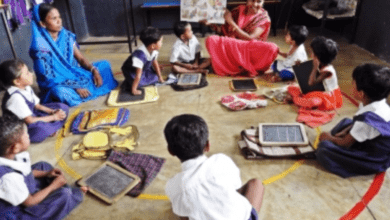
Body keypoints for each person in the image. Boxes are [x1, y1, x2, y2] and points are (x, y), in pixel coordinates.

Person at [164, 114, 264, 220]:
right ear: (207, 145)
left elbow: (183, 214)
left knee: (182, 206)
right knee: (256, 183)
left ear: (170, 151)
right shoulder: (221, 160)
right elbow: (236, 186)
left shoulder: (173, 185)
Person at [0, 115, 88, 219]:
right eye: (27, 135)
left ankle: (60, 188)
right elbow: (30, 202)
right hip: (18, 213)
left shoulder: (10, 154)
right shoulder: (8, 178)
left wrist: (46, 173)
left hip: (19, 190)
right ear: (15, 147)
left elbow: (23, 172)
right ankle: (69, 194)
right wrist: (53, 187)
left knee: (43, 166)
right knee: (64, 195)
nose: (29, 136)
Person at [29, 3, 118, 107]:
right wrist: (75, 86)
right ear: (43, 24)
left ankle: (85, 91)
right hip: (57, 83)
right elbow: (47, 78)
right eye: (54, 19)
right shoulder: (40, 47)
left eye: (59, 17)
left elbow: (80, 59)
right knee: (59, 92)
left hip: (74, 73)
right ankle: (79, 93)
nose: (59, 21)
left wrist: (94, 70)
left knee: (104, 65)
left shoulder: (66, 36)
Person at [316, 64, 390, 178]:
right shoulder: (377, 104)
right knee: (346, 122)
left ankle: (339, 152)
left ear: (361, 94)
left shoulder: (366, 121)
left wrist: (330, 138)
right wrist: (345, 132)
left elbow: (346, 143)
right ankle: (337, 141)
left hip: (373, 159)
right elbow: (357, 124)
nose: (351, 85)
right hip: (371, 141)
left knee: (324, 149)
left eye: (353, 83)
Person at [0, 59, 68, 143]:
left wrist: (52, 111)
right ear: (17, 81)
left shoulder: (26, 87)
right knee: (40, 130)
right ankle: (51, 127)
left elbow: (37, 106)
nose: (31, 74)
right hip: (22, 127)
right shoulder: (15, 98)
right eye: (27, 73)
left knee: (63, 107)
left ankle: (51, 126)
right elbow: (30, 121)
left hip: (32, 114)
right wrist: (54, 117)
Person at [287, 36, 342, 110]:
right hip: (317, 90)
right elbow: (307, 73)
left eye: (313, 53)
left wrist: (315, 68)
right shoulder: (322, 63)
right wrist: (300, 65)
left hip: (327, 97)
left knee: (314, 101)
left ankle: (294, 100)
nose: (311, 55)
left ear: (319, 57)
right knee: (291, 87)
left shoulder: (327, 71)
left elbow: (311, 83)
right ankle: (299, 99)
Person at [205, 35, 279, 77]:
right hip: (240, 43)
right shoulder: (239, 11)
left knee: (270, 49)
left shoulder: (262, 19)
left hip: (244, 44)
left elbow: (251, 36)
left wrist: (233, 25)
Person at [121, 26, 165, 95]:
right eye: (161, 42)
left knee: (155, 78)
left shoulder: (154, 51)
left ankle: (132, 82)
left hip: (143, 68)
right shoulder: (139, 55)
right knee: (139, 84)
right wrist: (134, 90)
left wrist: (160, 77)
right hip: (131, 71)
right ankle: (128, 84)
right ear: (153, 46)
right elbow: (138, 74)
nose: (162, 44)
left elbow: (154, 62)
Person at [201, 0, 271, 41]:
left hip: (251, 51)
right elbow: (224, 32)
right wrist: (210, 24)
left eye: (259, 1)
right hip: (234, 46)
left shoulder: (264, 18)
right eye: (252, 0)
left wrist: (231, 22)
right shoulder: (238, 10)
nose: (255, 4)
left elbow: (250, 38)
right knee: (211, 40)